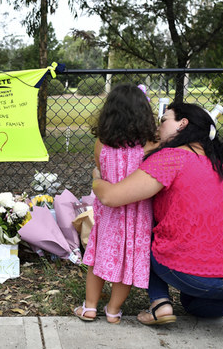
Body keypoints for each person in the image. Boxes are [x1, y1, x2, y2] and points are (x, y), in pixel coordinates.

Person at [92, 102, 223, 347]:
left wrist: (97, 180)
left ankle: (159, 303)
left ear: (183, 124)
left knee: (142, 232)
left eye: (164, 120)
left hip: (191, 272)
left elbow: (112, 197)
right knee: (194, 304)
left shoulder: (170, 158)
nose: (158, 126)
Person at [74, 84, 157, 323]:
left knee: (98, 259)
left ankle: (90, 307)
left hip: (109, 213)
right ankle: (113, 311)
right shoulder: (149, 145)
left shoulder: (102, 142)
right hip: (138, 215)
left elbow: (100, 170)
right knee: (126, 264)